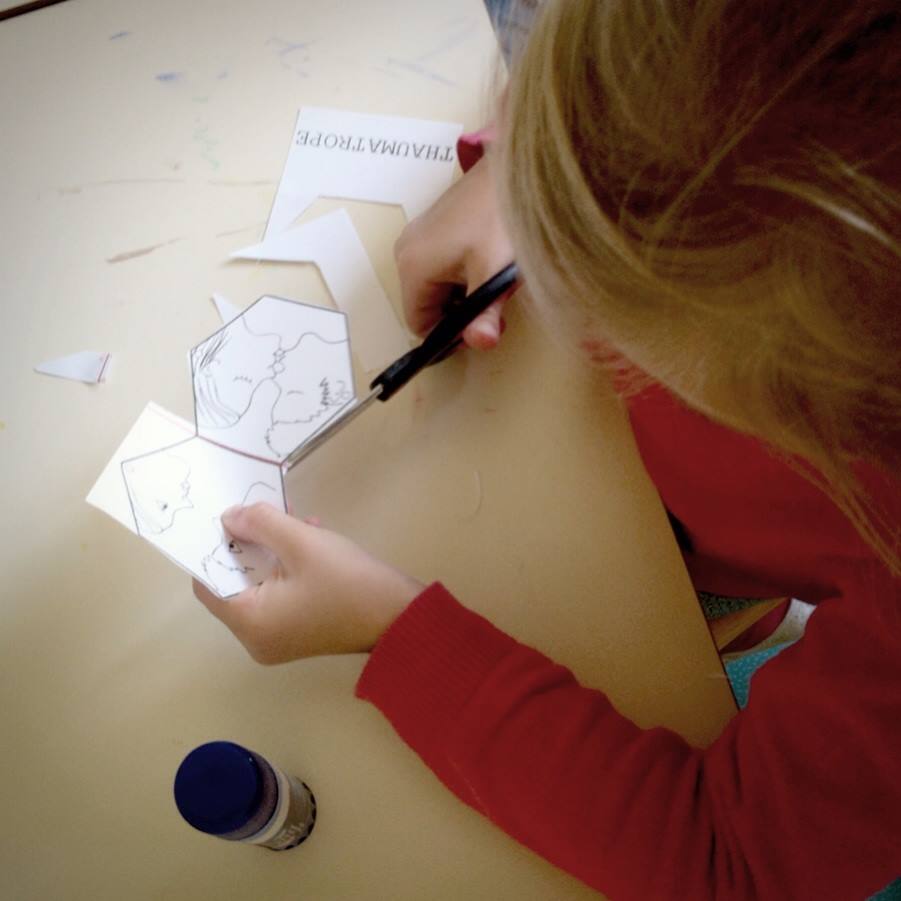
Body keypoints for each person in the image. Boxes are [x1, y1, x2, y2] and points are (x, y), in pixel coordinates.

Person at [193, 1, 901, 897]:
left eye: (610, 300)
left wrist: (389, 629)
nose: (562, 290)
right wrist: (530, 171)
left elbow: (734, 861)